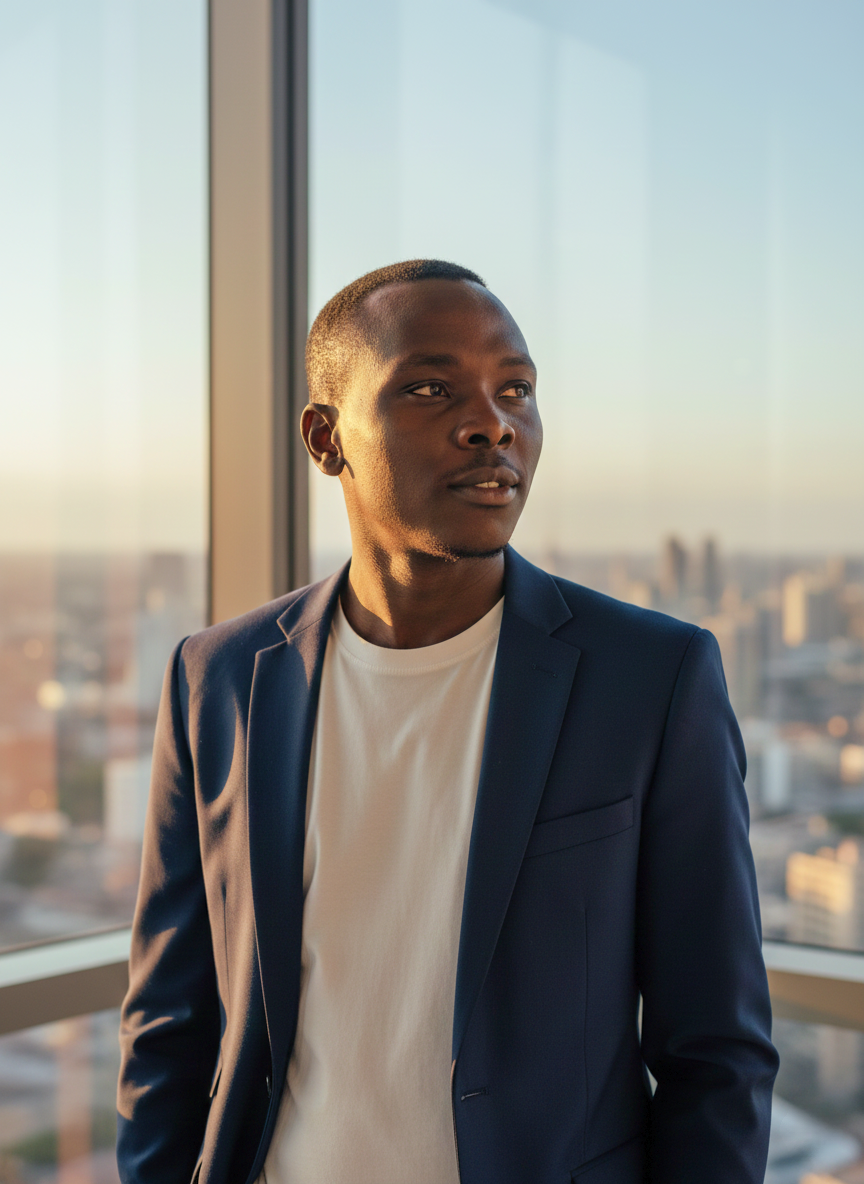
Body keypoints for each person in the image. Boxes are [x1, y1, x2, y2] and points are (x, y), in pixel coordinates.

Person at [116, 259, 778, 1184]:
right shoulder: (218, 679)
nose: (492, 422)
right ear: (325, 437)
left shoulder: (652, 677)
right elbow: (170, 1026)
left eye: (516, 389)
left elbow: (718, 1054)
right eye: (431, 387)